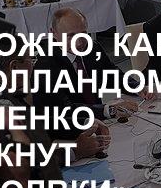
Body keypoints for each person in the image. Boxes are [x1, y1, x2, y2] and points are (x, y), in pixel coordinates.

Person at [32, 7, 139, 137]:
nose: (79, 43)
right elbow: (65, 109)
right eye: (71, 35)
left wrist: (137, 87)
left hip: (102, 122)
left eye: (83, 33)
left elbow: (111, 74)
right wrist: (108, 110)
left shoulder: (92, 48)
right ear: (53, 33)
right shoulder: (45, 65)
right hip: (72, 132)